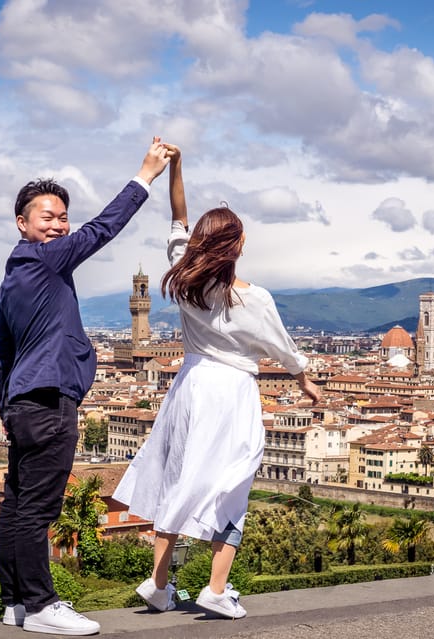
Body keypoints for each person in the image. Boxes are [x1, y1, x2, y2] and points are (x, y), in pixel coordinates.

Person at [112, 145, 321, 619]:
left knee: (177, 479)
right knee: (231, 484)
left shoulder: (184, 275)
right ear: (237, 246)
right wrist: (306, 382)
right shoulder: (256, 299)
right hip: (230, 396)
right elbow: (285, 350)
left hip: (188, 386)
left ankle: (159, 585)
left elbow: (178, 217)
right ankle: (216, 588)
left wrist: (177, 167)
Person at [0, 137, 172, 636]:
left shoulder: (13, 275)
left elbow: (2, 352)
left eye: (61, 217)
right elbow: (104, 228)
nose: (58, 224)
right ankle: (43, 605)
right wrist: (145, 176)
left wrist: (8, 406)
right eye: (47, 216)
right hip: (49, 403)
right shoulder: (46, 259)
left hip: (26, 404)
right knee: (39, 508)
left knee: (17, 502)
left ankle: (15, 604)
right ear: (23, 223)